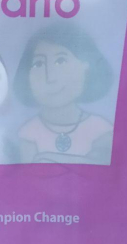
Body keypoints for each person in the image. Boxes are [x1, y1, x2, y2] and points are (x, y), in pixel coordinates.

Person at [14, 23, 114, 164]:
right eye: (39, 64)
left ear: (86, 66)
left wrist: (46, 158)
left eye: (60, 61)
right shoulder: (27, 133)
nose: (50, 77)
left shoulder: (101, 130)